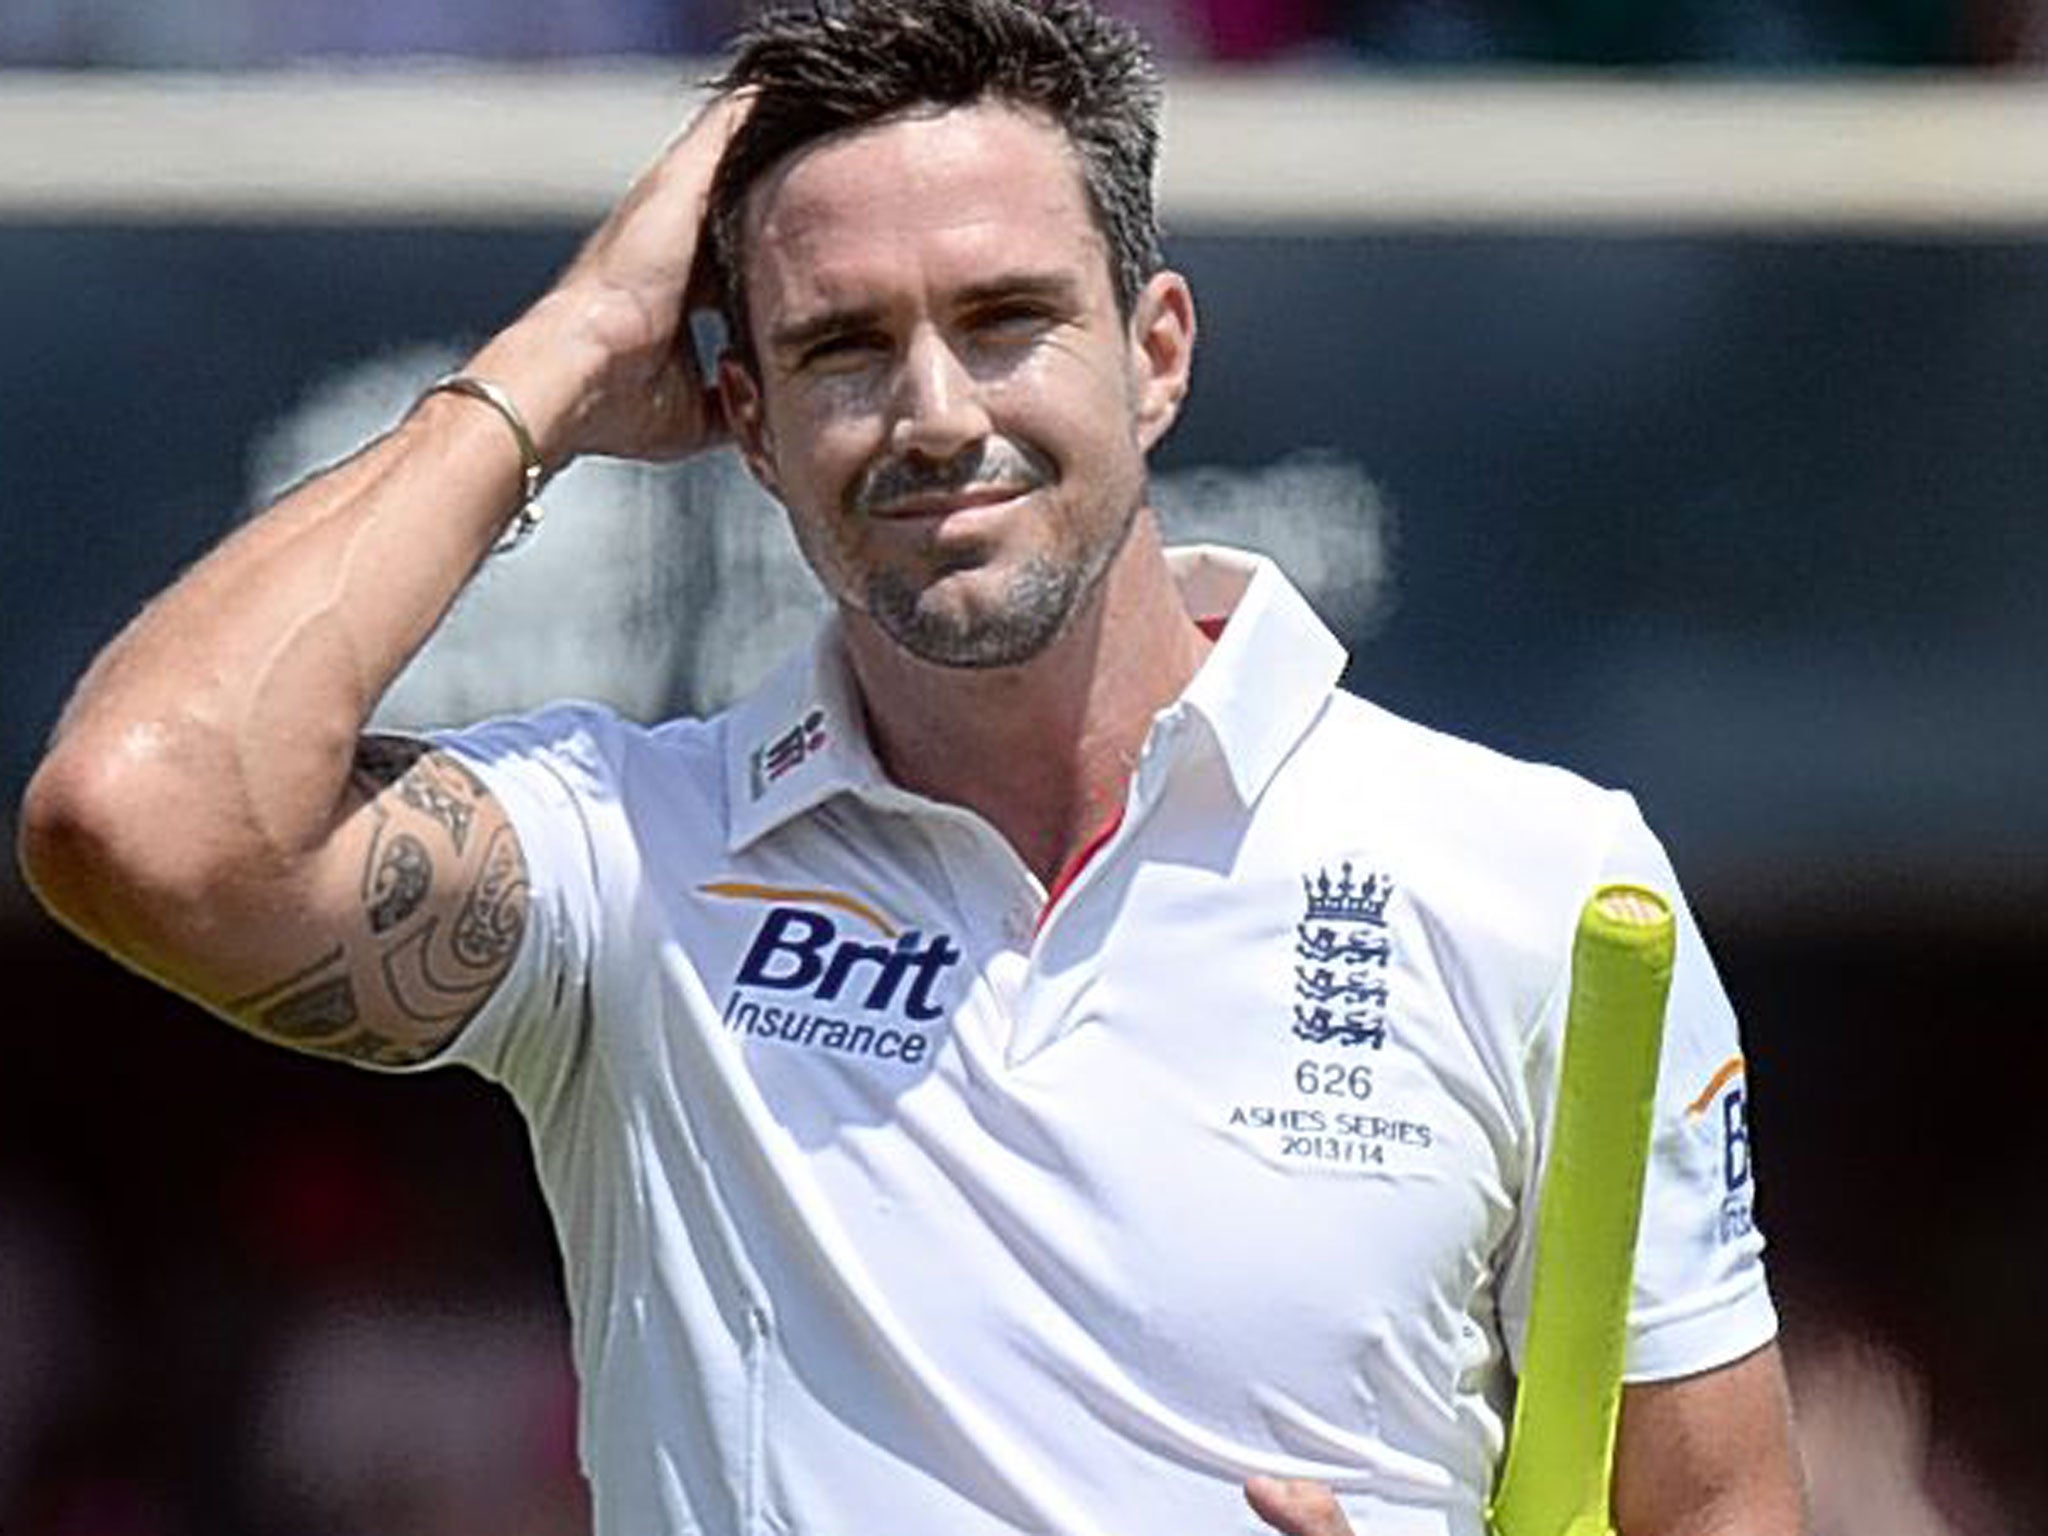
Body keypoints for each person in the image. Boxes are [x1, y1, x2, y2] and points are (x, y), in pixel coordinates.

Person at [15, 2, 1807, 1533]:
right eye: (843, 348)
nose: (937, 412)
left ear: (1156, 353)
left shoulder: (1536, 875)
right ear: (745, 426)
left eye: (1007, 316)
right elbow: (140, 816)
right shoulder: (630, 854)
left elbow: (1720, 1503)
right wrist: (559, 355)